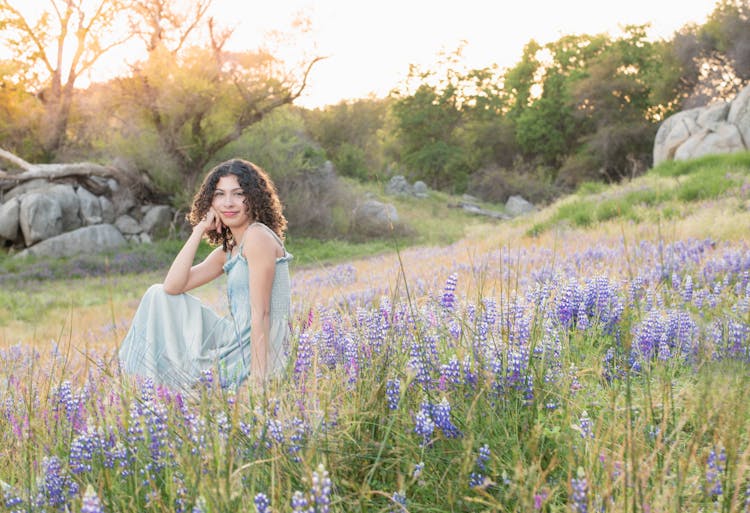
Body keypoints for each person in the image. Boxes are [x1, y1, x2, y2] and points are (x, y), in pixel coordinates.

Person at [118, 158, 292, 391]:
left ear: (253, 197)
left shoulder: (258, 237)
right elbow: (172, 287)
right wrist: (199, 229)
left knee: (196, 379)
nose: (228, 203)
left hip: (261, 345)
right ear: (211, 201)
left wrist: (258, 380)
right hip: (238, 337)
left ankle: (152, 390)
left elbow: (262, 313)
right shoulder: (230, 251)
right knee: (156, 295)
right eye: (220, 194)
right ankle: (146, 386)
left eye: (238, 193)